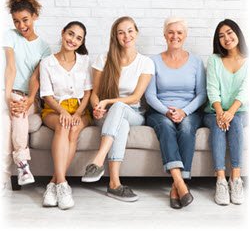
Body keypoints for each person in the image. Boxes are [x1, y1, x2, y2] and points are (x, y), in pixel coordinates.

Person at [81, 16, 154, 202]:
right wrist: (97, 106)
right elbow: (95, 93)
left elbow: (136, 97)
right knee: (120, 124)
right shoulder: (103, 59)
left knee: (120, 107)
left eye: (130, 31)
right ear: (115, 36)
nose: (126, 36)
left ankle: (99, 159)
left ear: (136, 32)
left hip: (134, 113)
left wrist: (107, 102)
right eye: (121, 32)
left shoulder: (145, 62)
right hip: (107, 116)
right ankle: (114, 184)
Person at [145, 17, 206, 209]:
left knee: (187, 128)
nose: (175, 36)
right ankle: (180, 183)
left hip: (189, 111)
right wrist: (167, 111)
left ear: (185, 36)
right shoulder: (152, 61)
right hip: (159, 112)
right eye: (171, 32)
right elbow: (150, 95)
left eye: (179, 32)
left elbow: (202, 94)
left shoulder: (196, 62)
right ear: (164, 35)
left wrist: (184, 111)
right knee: (166, 125)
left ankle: (174, 187)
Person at [39, 21, 92, 210]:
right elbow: (46, 94)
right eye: (70, 34)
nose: (73, 40)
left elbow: (87, 93)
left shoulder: (85, 61)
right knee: (63, 125)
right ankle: (62, 183)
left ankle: (53, 185)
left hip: (79, 109)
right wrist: (62, 112)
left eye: (79, 38)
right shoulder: (47, 62)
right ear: (62, 33)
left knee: (74, 127)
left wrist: (77, 113)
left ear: (82, 42)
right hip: (54, 109)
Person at [3, 0, 51, 186]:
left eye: (25, 20)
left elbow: (35, 77)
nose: (21, 25)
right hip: (9, 91)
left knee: (19, 113)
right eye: (16, 21)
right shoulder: (10, 36)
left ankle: (22, 165)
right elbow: (11, 67)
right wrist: (8, 97)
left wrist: (29, 99)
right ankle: (8, 174)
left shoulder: (44, 48)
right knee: (4, 122)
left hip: (30, 97)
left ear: (35, 16)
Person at [203, 19, 248, 206]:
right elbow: (212, 89)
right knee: (218, 124)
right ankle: (221, 179)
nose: (226, 38)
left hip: (239, 111)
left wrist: (231, 112)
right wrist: (221, 113)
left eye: (229, 33)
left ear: (237, 33)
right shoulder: (214, 60)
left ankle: (235, 178)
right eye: (221, 36)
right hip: (214, 111)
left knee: (236, 121)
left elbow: (245, 90)